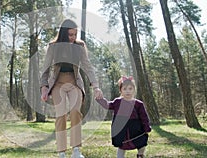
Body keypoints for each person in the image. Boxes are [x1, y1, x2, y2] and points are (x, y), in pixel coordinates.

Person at [40, 19, 103, 158]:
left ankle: (76, 151)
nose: (73, 37)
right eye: (70, 34)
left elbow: (88, 66)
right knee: (61, 115)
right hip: (58, 83)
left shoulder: (79, 46)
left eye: (75, 34)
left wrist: (96, 86)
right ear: (63, 34)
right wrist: (44, 87)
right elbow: (45, 69)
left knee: (75, 112)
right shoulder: (53, 46)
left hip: (74, 83)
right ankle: (61, 152)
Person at [95, 76, 151, 158]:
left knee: (141, 143)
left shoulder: (138, 104)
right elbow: (107, 105)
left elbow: (144, 117)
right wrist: (100, 99)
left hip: (135, 128)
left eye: (130, 89)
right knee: (121, 145)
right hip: (121, 128)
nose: (127, 91)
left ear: (134, 90)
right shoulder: (117, 102)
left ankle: (140, 155)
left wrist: (146, 127)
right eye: (124, 89)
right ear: (121, 90)